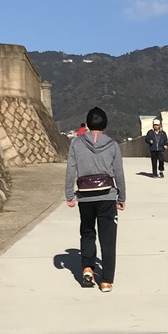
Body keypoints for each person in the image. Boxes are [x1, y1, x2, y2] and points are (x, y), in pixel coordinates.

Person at [65, 105, 126, 291]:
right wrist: (121, 197)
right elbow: (118, 173)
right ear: (105, 124)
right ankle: (106, 280)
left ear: (88, 124)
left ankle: (87, 269)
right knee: (108, 239)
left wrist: (69, 194)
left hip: (85, 197)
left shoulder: (76, 143)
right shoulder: (112, 145)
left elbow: (71, 170)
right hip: (107, 196)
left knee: (87, 232)